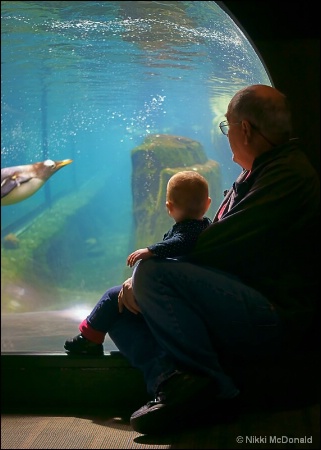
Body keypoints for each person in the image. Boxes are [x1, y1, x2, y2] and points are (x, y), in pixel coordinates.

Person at [65, 84, 320, 435]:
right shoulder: (262, 173)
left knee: (149, 274)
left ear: (244, 129)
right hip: (243, 303)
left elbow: (217, 246)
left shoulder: (286, 175)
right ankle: (172, 381)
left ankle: (211, 387)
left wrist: (145, 273)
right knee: (119, 307)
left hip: (274, 315)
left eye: (226, 126)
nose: (226, 135)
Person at [64, 170, 212, 352]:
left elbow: (180, 242)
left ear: (169, 207)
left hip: (169, 294)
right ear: (207, 204)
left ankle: (89, 338)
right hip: (181, 293)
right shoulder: (206, 226)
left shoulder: (189, 230)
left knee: (112, 296)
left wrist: (151, 250)